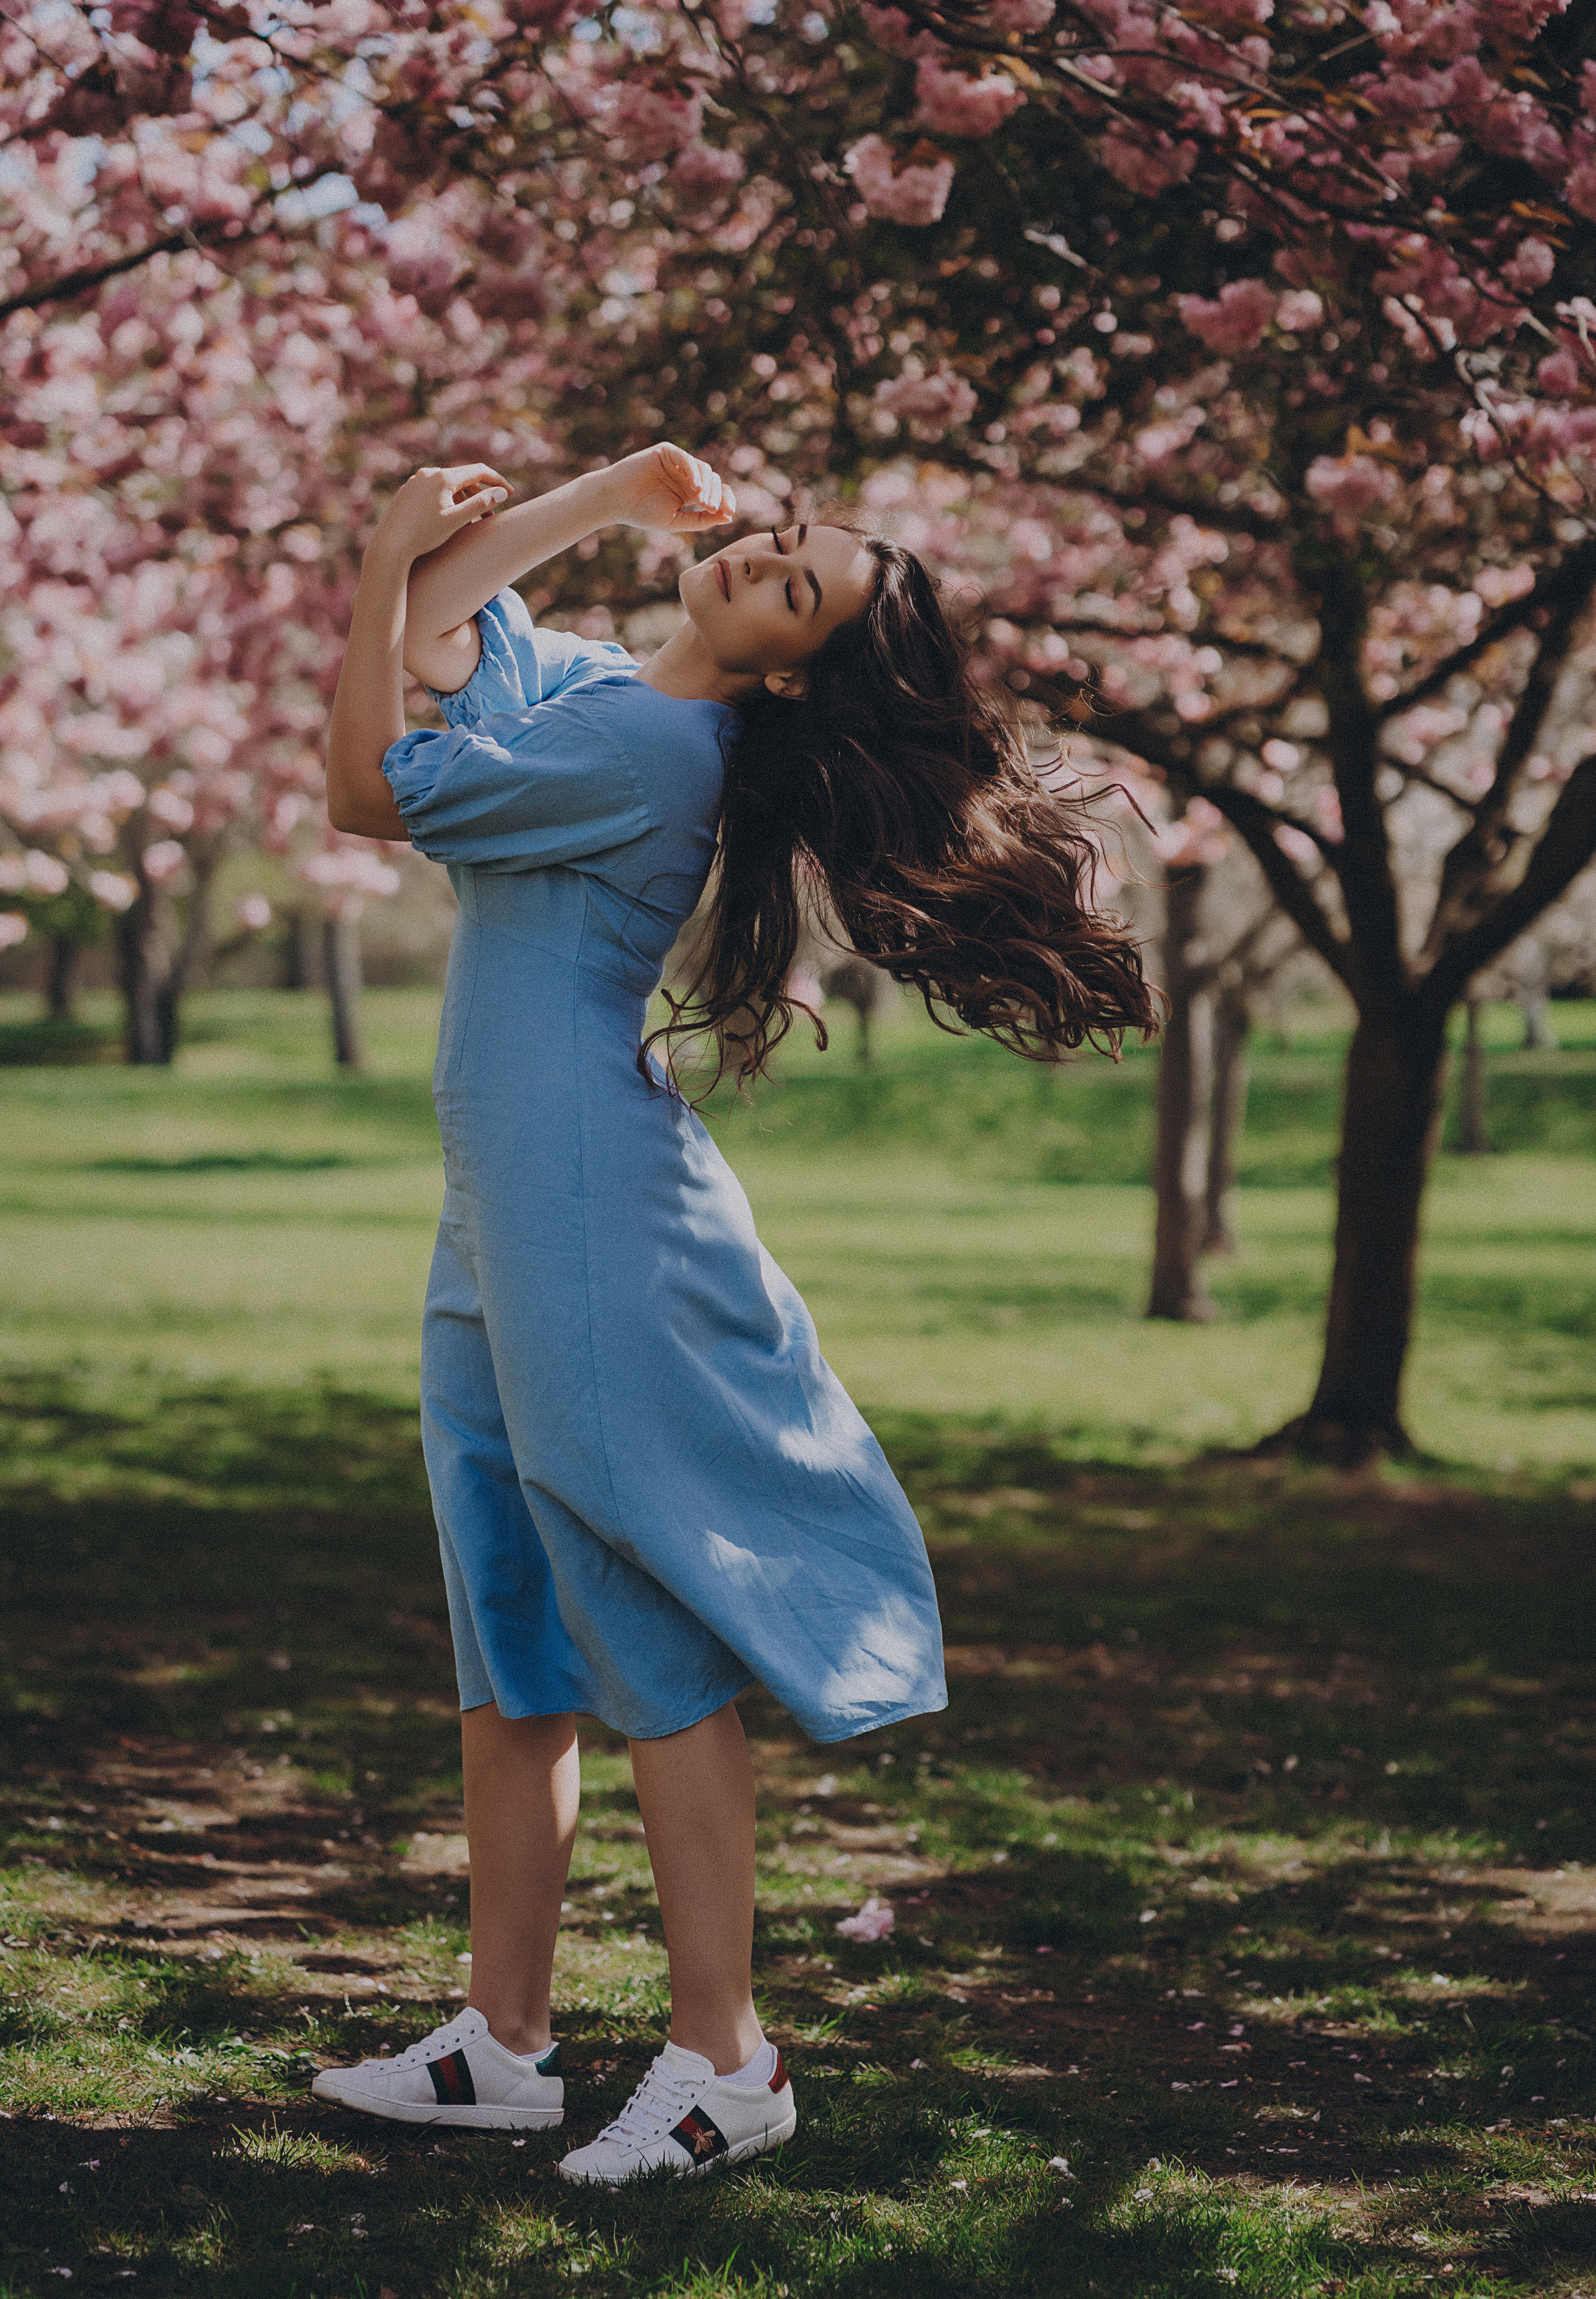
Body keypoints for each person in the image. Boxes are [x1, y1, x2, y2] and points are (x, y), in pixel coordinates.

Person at [311, 445, 1154, 2184]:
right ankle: (505, 2042)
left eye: (791, 583)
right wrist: (617, 493)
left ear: (788, 669)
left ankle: (725, 2059)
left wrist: (390, 548)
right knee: (509, 1629)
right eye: (777, 539)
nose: (758, 557)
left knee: (639, 1625)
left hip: (592, 1220)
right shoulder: (619, 695)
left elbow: (365, 787)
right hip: (503, 1211)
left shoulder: (643, 745)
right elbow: (452, 632)